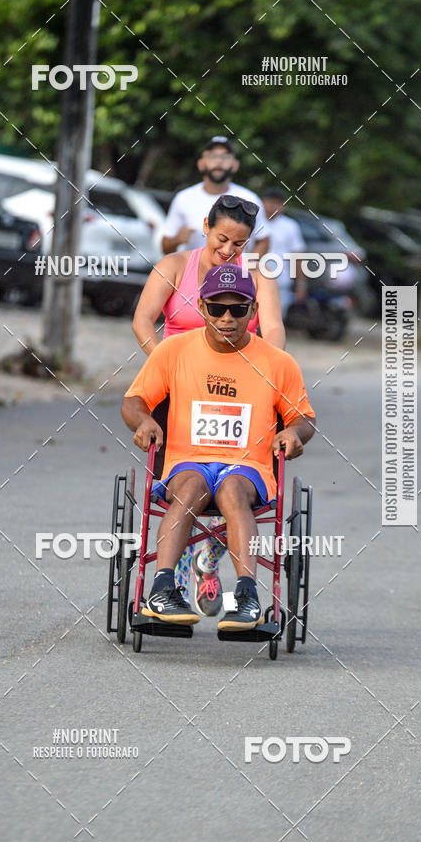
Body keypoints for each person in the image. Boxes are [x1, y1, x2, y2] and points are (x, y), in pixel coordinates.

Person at [121, 264, 316, 629]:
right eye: (217, 308)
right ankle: (163, 589)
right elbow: (134, 401)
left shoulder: (278, 363)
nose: (227, 318)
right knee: (192, 485)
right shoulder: (173, 351)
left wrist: (294, 434)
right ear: (201, 307)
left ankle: (245, 596)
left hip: (247, 468)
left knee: (231, 489)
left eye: (238, 309)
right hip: (187, 462)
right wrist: (144, 421)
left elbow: (303, 418)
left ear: (253, 311)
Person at [132, 194, 285, 618]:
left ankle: (212, 556)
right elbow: (143, 321)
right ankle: (174, 582)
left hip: (239, 390)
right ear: (205, 226)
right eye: (221, 239)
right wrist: (170, 368)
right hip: (180, 388)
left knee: (234, 486)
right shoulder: (174, 267)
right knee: (188, 484)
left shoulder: (258, 276)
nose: (228, 251)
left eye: (238, 244)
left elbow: (272, 331)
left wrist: (263, 377)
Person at [161, 136, 270, 258]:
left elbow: (263, 240)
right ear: (201, 163)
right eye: (212, 156)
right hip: (193, 274)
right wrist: (177, 239)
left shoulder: (251, 200)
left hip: (231, 275)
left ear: (235, 165)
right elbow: (165, 247)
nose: (219, 161)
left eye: (225, 157)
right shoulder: (183, 198)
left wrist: (246, 270)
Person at [261, 187, 307, 319]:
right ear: (262, 203)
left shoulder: (290, 226)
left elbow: (298, 256)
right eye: (270, 202)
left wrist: (301, 285)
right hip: (253, 282)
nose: (273, 206)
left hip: (280, 283)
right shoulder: (253, 222)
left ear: (283, 206)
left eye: (277, 203)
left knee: (273, 324)